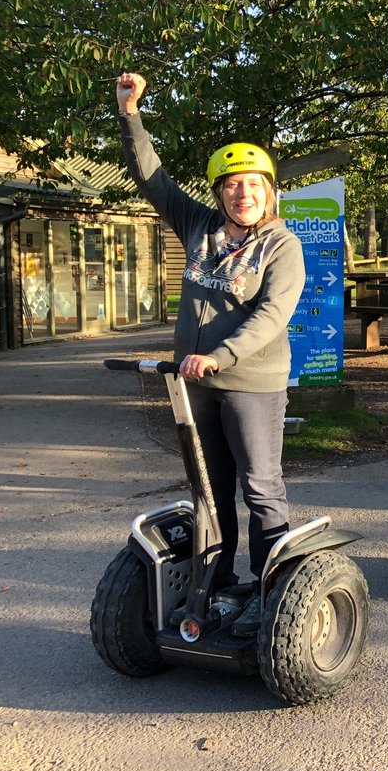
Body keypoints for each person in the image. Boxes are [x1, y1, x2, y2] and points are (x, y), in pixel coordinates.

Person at [115, 72, 304, 637]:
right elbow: (151, 178)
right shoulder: (198, 225)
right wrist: (131, 115)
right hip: (194, 380)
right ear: (219, 192)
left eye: (252, 185)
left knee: (260, 486)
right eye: (231, 185)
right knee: (208, 488)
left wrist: (221, 354)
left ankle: (272, 588)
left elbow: (273, 314)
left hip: (251, 382)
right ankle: (215, 584)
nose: (241, 194)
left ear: (268, 191)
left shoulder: (282, 245)